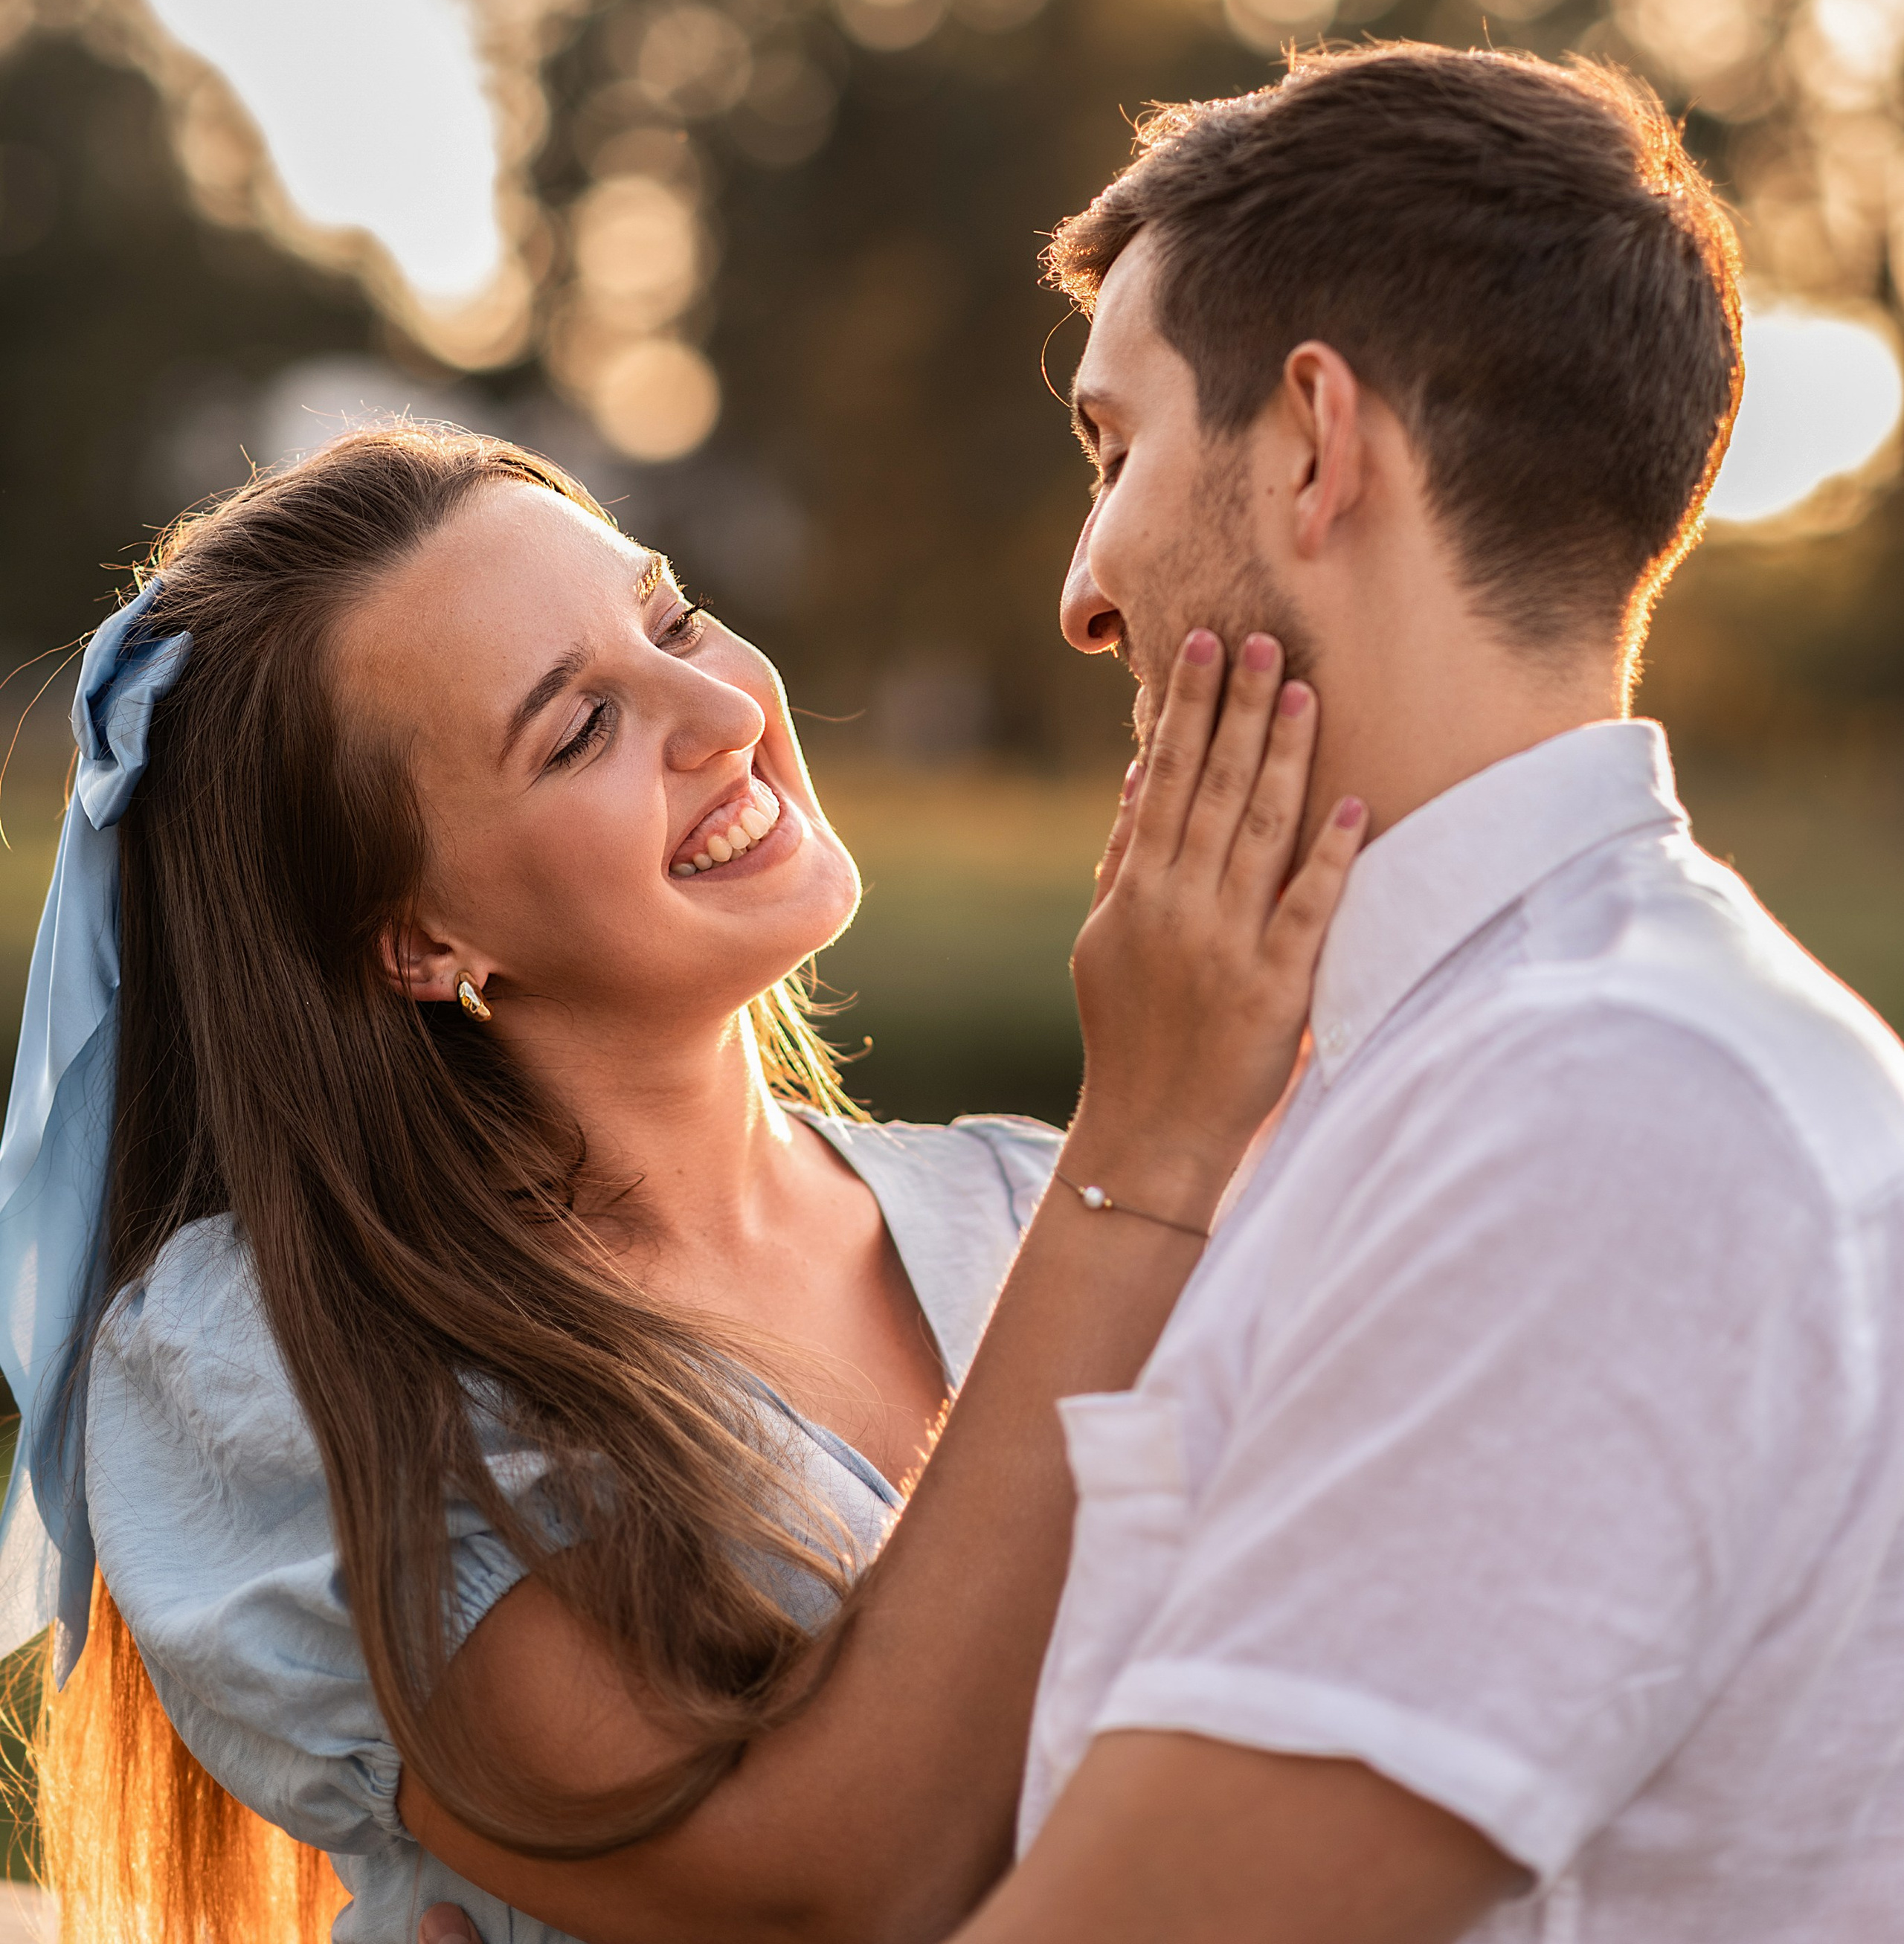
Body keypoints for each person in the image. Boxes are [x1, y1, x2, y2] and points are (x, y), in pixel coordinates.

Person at [0, 422, 1363, 1944]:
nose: (724, 710)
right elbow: (822, 1888)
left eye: (674, 620)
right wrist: (1152, 1143)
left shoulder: (1026, 1203)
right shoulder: (289, 1358)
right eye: (580, 728)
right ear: (421, 940)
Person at [942, 39, 1904, 1943]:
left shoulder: (1607, 1115)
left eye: (1114, 450)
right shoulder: (1449, 1067)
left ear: (1313, 443)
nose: (1083, 592)